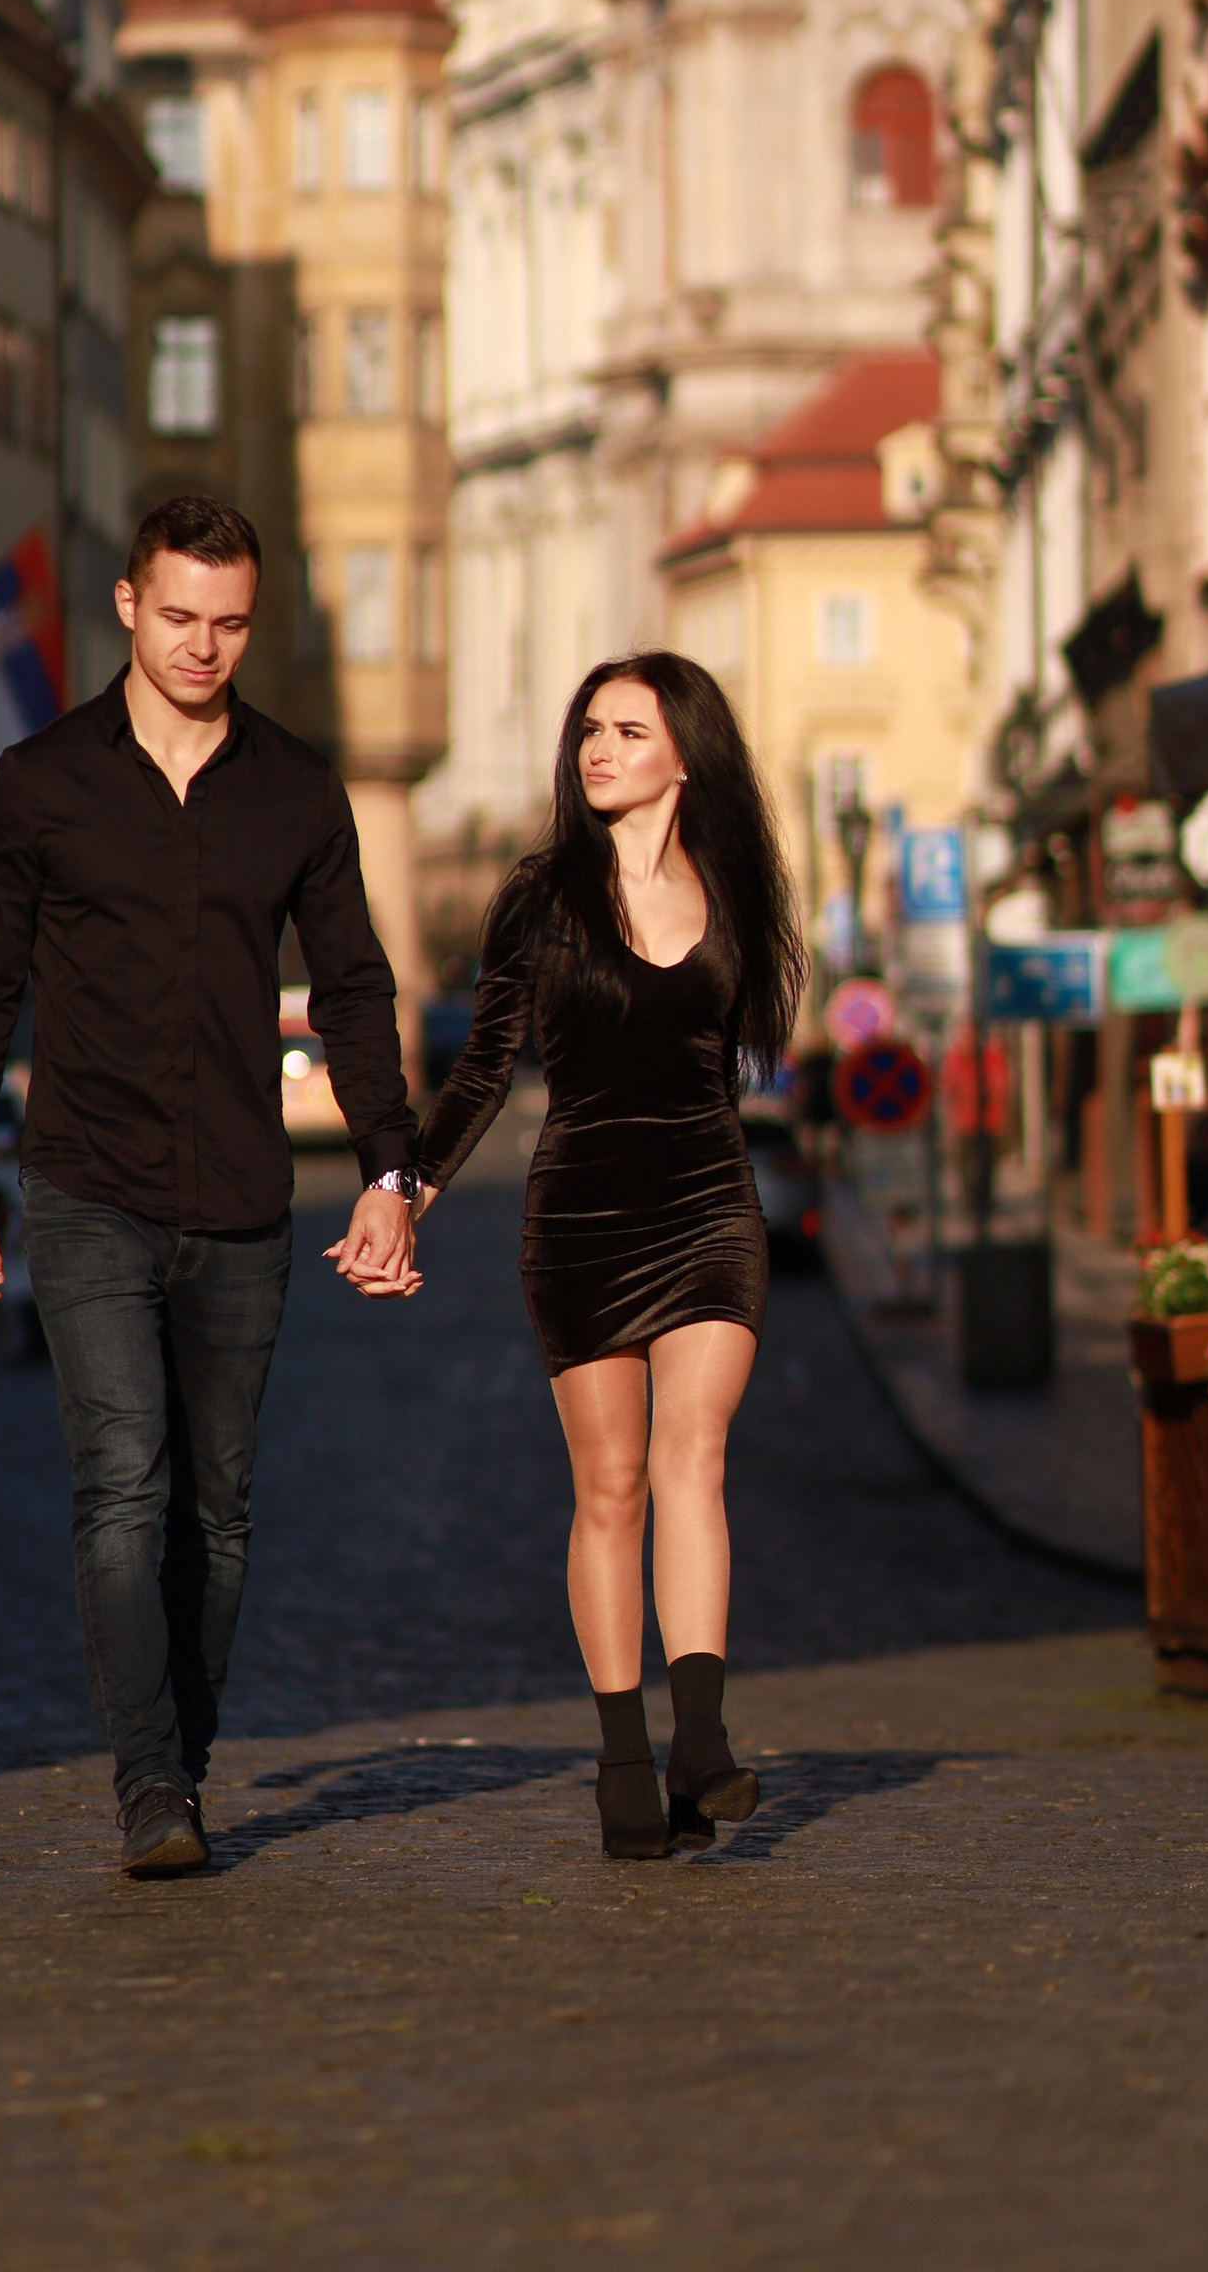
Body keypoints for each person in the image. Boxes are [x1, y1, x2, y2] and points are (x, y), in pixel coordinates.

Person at [0, 496, 422, 1881]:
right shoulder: (43, 781)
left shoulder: (295, 791)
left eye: (231, 624)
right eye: (181, 617)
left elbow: (357, 986)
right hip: (86, 1187)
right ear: (130, 607)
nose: (205, 647)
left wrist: (391, 1168)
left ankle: (184, 1755)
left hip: (244, 1201)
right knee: (122, 1489)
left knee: (220, 1512)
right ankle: (150, 1783)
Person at [410, 653, 804, 1862]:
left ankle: (700, 1739)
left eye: (627, 731)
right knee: (612, 1485)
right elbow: (483, 1064)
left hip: (707, 1205)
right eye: (588, 730)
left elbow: (755, 1058)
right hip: (580, 1214)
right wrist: (404, 1190)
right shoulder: (540, 894)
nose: (597, 749)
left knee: (695, 1455)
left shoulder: (736, 887)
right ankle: (623, 1754)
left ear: (684, 753)